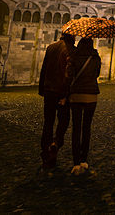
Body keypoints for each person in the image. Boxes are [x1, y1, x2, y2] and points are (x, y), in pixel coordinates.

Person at [38, 33, 75, 169]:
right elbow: (69, 73)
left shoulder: (51, 47)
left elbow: (44, 68)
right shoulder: (71, 50)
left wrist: (41, 87)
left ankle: (45, 149)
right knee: (64, 120)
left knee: (48, 121)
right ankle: (56, 142)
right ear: (72, 37)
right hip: (61, 92)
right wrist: (66, 95)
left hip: (48, 90)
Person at [67, 37, 101, 175]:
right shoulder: (95, 57)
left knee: (76, 128)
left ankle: (75, 163)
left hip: (76, 95)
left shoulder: (74, 57)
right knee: (86, 128)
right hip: (91, 95)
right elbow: (96, 74)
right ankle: (84, 160)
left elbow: (69, 75)